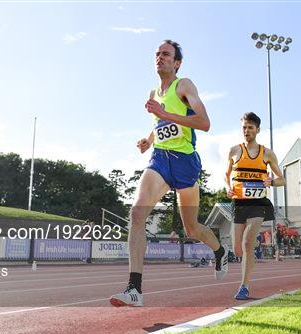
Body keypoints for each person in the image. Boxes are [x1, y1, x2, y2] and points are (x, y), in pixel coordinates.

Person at [109, 40, 229, 307]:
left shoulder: (184, 85)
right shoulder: (153, 92)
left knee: (192, 228)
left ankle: (220, 251)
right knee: (137, 214)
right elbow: (159, 122)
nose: (160, 57)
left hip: (185, 162)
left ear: (177, 63)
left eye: (166, 54)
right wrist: (149, 141)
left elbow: (204, 123)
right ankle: (134, 289)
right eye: (157, 54)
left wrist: (165, 113)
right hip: (160, 160)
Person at [225, 112, 285, 300]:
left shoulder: (267, 153)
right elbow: (226, 175)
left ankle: (244, 286)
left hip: (258, 203)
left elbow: (282, 179)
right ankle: (253, 242)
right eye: (244, 127)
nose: (246, 130)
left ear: (257, 130)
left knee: (246, 243)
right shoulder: (234, 151)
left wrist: (271, 183)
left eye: (250, 127)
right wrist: (228, 188)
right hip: (239, 203)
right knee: (237, 250)